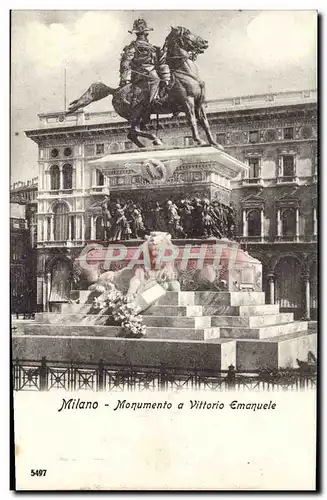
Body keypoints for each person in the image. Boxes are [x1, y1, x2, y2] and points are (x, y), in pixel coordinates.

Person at [119, 18, 170, 109]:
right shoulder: (133, 46)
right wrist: (125, 72)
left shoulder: (150, 46)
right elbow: (127, 59)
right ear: (137, 34)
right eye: (141, 34)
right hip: (141, 70)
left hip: (151, 68)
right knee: (156, 79)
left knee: (165, 73)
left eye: (144, 33)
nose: (143, 35)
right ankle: (152, 101)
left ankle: (162, 94)